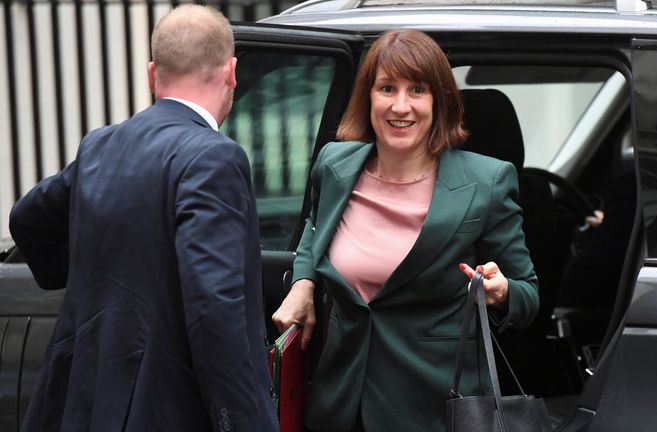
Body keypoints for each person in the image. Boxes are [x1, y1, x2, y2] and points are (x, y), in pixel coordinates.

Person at [9, 5, 278, 432]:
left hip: (86, 402)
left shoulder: (101, 146)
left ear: (153, 75)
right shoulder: (214, 157)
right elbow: (213, 307)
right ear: (231, 72)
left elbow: (26, 219)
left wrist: (80, 269)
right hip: (169, 409)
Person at [272, 29, 539, 432]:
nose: (401, 106)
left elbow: (529, 295)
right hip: (339, 403)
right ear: (368, 97)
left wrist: (501, 292)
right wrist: (304, 282)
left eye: (417, 89)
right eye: (386, 88)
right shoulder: (335, 164)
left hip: (434, 407)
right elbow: (316, 225)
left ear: (439, 102)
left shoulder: (487, 181)